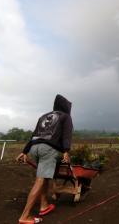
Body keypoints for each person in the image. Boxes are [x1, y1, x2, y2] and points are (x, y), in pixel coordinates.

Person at [16, 94, 73, 224]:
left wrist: (24, 151)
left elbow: (34, 134)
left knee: (45, 177)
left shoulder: (43, 116)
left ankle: (44, 205)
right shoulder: (65, 116)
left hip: (34, 148)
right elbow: (66, 136)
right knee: (40, 180)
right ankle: (25, 216)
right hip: (48, 149)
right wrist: (66, 151)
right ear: (66, 107)